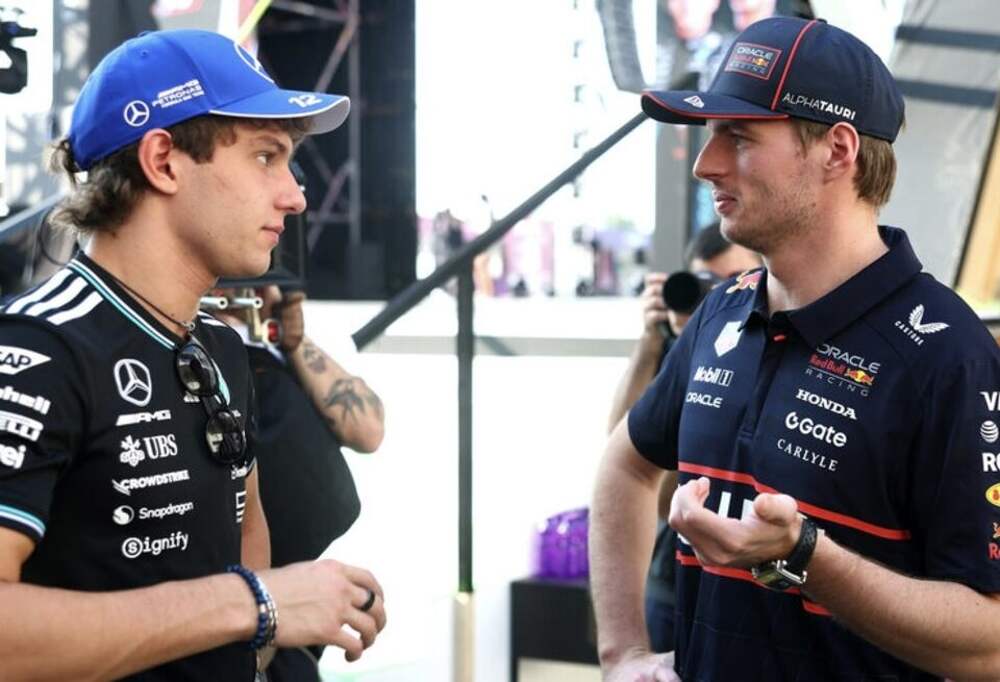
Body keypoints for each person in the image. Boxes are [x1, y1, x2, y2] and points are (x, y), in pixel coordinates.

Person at [591, 16, 1000, 682]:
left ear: (837, 150)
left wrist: (805, 556)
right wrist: (622, 653)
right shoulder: (721, 311)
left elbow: (991, 644)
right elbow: (625, 464)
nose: (704, 164)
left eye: (739, 136)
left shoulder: (949, 355)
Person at [0, 29, 386, 680]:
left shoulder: (218, 348)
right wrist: (255, 604)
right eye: (266, 157)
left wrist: (261, 621)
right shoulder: (36, 352)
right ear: (163, 161)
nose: (295, 195)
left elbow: (247, 537)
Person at [210, 285, 384, 681]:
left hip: (291, 602)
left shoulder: (276, 346)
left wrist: (292, 340)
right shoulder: (196, 346)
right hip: (226, 593)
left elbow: (368, 430)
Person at [606, 223, 760, 654]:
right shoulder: (680, 347)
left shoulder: (769, 350)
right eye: (705, 282)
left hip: (744, 587)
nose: (720, 296)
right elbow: (622, 447)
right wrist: (654, 341)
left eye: (733, 282)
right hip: (669, 578)